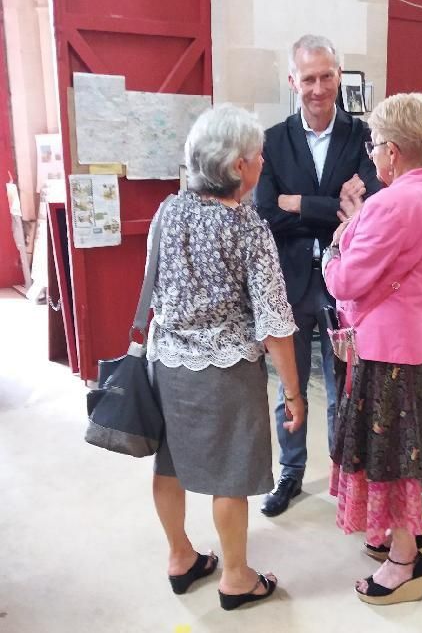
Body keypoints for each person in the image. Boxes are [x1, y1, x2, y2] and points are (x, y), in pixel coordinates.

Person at [146, 104, 304, 611]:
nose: (262, 163)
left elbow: (153, 290)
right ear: (239, 166)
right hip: (228, 372)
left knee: (169, 464)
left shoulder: (167, 211)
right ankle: (236, 577)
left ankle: (180, 556)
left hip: (167, 363)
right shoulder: (249, 228)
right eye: (259, 156)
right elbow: (275, 323)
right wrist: (294, 393)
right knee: (231, 476)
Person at [323, 92, 422, 605]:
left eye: (377, 145)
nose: (373, 153)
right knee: (403, 447)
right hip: (412, 342)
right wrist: (360, 220)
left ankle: (404, 561)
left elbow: (346, 281)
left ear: (394, 151)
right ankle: (393, 537)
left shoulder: (392, 203)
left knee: (391, 456)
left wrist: (335, 249)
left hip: (384, 351)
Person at [255, 34, 380, 517]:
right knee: (291, 388)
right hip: (288, 285)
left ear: (338, 75)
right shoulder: (272, 140)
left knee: (340, 389)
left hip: (343, 286)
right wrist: (332, 209)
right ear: (293, 81)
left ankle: (343, 473)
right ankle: (289, 472)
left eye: (327, 76)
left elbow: (365, 213)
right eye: (308, 78)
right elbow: (267, 211)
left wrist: (299, 202)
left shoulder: (363, 138)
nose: (319, 88)